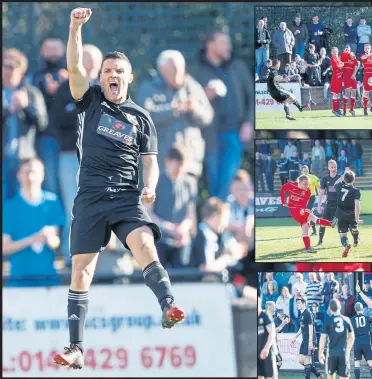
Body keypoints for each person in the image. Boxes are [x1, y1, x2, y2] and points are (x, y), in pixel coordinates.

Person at [53, 8, 185, 370]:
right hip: (91, 198)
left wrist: (151, 186)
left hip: (127, 197)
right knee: (81, 272)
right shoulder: (89, 101)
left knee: (144, 244)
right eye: (107, 71)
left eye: (118, 71)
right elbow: (75, 67)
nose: (112, 75)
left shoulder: (142, 118)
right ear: (102, 77)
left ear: (129, 77)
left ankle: (168, 305)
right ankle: (76, 348)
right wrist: (74, 29)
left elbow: (151, 161)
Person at [49, 43, 103, 265]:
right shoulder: (65, 88)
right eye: (84, 59)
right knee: (74, 203)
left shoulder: (108, 87)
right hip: (71, 155)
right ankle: (71, 254)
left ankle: (98, 252)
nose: (88, 64)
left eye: (93, 60)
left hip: (102, 158)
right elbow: (58, 119)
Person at [189, 29, 254, 201]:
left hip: (234, 133)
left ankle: (219, 220)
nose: (228, 47)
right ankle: (216, 220)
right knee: (215, 181)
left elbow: (252, 96)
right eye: (224, 43)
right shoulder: (195, 69)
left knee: (228, 181)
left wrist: (249, 122)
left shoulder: (237, 66)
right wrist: (205, 94)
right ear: (210, 45)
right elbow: (187, 100)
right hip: (208, 137)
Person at [138, 49, 213, 191]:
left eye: (180, 69)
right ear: (162, 70)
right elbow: (145, 117)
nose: (178, 73)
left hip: (189, 161)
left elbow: (208, 115)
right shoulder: (148, 88)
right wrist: (173, 110)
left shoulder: (192, 86)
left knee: (187, 205)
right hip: (160, 162)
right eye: (173, 70)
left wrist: (193, 109)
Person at [2, 158, 65, 287]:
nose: (30, 177)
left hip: (49, 279)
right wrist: (31, 240)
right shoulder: (9, 207)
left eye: (34, 172)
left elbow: (55, 242)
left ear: (42, 175)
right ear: (19, 176)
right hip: (19, 281)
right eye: (26, 172)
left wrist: (50, 238)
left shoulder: (52, 202)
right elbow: (5, 248)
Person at [3, 48, 48, 201]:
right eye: (4, 66)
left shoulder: (32, 93)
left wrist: (26, 107)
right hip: (3, 158)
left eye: (11, 67)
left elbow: (42, 124)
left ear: (21, 71)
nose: (6, 71)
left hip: (24, 159)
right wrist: (9, 111)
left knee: (22, 201)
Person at [145, 145, 196, 268]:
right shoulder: (155, 181)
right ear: (167, 161)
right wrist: (168, 228)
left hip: (181, 239)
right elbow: (148, 213)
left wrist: (182, 229)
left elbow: (191, 214)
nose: (179, 170)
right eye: (176, 165)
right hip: (159, 238)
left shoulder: (189, 182)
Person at [32, 36, 69, 194]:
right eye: (49, 49)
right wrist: (49, 94)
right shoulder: (35, 78)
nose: (53, 54)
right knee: (51, 183)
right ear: (42, 52)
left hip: (72, 139)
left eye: (57, 49)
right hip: (48, 137)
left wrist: (65, 88)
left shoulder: (73, 75)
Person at [280, 174, 333, 254]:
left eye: (307, 184)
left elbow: (304, 202)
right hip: (294, 210)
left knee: (305, 229)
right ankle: (331, 223)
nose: (306, 186)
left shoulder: (308, 191)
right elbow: (283, 188)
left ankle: (307, 248)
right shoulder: (291, 185)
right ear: (299, 182)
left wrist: (303, 209)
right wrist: (283, 201)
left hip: (301, 211)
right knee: (314, 218)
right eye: (305, 184)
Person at [190, 197, 242, 271]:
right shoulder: (206, 235)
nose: (226, 223)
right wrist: (226, 258)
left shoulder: (209, 233)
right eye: (225, 218)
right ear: (215, 215)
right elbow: (207, 270)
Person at [318, 299, 355, 379]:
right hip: (343, 353)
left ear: (330, 309)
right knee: (344, 377)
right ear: (340, 307)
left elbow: (323, 338)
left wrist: (320, 353)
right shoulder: (346, 320)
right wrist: (348, 349)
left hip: (331, 353)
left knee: (331, 376)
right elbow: (352, 337)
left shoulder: (328, 321)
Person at [334, 169, 363, 258]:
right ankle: (355, 241)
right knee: (354, 228)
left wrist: (343, 175)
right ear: (354, 180)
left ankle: (346, 244)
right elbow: (357, 205)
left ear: (344, 179)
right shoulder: (356, 191)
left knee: (343, 235)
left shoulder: (339, 187)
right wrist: (357, 218)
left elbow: (336, 183)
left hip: (341, 215)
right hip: (351, 215)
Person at [291, 298, 322, 379]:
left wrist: (310, 341)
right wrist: (295, 337)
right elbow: (301, 328)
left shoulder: (308, 313)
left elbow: (311, 327)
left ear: (304, 303)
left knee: (306, 361)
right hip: (304, 340)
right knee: (301, 360)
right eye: (296, 303)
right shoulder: (302, 314)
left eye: (299, 303)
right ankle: (318, 374)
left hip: (309, 340)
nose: (297, 304)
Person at [316, 160, 341, 248]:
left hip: (339, 205)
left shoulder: (341, 178)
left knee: (341, 224)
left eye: (335, 167)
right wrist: (319, 205)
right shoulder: (325, 179)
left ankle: (348, 240)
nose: (334, 169)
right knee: (323, 222)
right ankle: (320, 241)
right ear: (328, 168)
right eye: (332, 167)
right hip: (328, 204)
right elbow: (321, 192)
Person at [351, 302, 372, 379]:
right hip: (366, 342)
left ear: (355, 310)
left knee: (357, 364)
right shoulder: (367, 317)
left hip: (357, 343)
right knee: (371, 363)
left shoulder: (352, 319)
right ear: (362, 309)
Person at [258, 297, 277, 379]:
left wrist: (266, 349)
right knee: (259, 375)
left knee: (271, 376)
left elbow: (272, 333)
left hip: (267, 351)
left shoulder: (265, 316)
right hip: (257, 351)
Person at [297, 165, 320, 236]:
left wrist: (320, 196)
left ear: (308, 170)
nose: (305, 172)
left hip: (311, 197)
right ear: (301, 172)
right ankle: (313, 231)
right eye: (304, 171)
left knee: (307, 212)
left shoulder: (313, 178)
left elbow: (318, 187)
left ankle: (309, 231)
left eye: (306, 170)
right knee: (305, 214)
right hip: (303, 198)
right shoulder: (299, 179)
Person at [340, 45, 359, 116]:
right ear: (344, 50)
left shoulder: (353, 56)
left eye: (348, 50)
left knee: (354, 92)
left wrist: (354, 74)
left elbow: (356, 65)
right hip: (346, 76)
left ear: (350, 50)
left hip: (352, 76)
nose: (347, 51)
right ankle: (344, 109)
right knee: (347, 92)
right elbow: (339, 63)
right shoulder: (342, 56)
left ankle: (351, 109)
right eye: (346, 49)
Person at [329, 47, 345, 117]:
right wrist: (342, 64)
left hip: (339, 78)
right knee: (335, 94)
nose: (335, 53)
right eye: (334, 52)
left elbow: (341, 66)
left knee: (338, 94)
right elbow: (337, 67)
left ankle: (337, 109)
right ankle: (334, 109)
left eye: (336, 51)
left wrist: (341, 65)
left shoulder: (338, 58)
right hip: (335, 78)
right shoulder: (332, 59)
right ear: (331, 53)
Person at [360, 43, 372, 116]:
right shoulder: (363, 56)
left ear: (370, 49)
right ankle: (365, 109)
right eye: (366, 48)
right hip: (367, 76)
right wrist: (368, 55)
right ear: (364, 49)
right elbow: (364, 58)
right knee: (366, 93)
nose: (367, 49)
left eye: (368, 48)